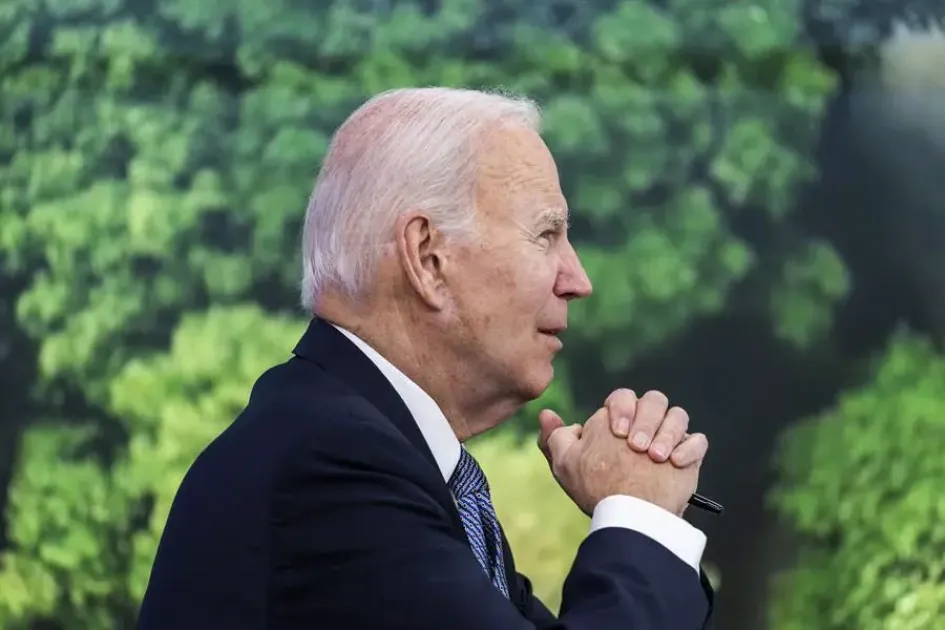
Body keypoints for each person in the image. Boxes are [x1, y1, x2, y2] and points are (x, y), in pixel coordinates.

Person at [135, 87, 714, 629]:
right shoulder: (333, 468)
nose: (578, 279)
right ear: (428, 258)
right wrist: (640, 517)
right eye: (547, 234)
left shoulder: (370, 454)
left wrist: (639, 514)